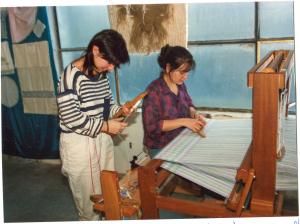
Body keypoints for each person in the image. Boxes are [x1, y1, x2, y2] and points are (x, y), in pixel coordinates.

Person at [56, 29, 131, 220]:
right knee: (89, 205)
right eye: (110, 62)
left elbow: (106, 104)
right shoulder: (70, 77)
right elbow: (72, 118)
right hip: (79, 144)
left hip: (101, 138)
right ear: (95, 51)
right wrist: (106, 126)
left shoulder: (100, 73)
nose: (112, 68)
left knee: (108, 192)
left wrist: (121, 110)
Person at [142, 44, 206, 158]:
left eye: (187, 72)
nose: (185, 77)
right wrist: (184, 121)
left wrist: (194, 114)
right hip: (160, 146)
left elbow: (188, 103)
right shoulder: (154, 91)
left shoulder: (180, 85)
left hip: (179, 140)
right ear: (168, 68)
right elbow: (152, 127)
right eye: (181, 72)